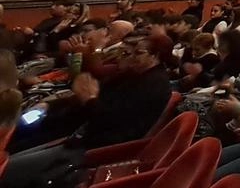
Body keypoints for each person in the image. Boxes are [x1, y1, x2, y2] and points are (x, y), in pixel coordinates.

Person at [3, 35, 173, 188]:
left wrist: (90, 99)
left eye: (138, 53)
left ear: (154, 56)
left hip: (97, 148)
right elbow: (89, 93)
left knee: (10, 169)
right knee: (19, 140)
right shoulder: (130, 76)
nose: (131, 58)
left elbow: (113, 120)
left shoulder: (154, 85)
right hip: (77, 133)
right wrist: (50, 105)